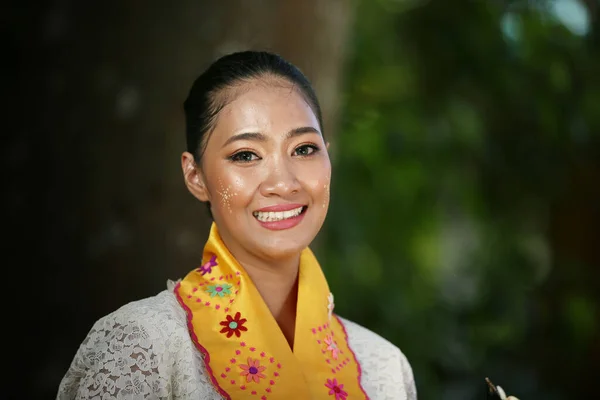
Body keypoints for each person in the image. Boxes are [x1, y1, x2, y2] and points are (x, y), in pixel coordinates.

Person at [57, 50, 417, 399]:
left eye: (304, 149)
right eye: (246, 155)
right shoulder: (143, 346)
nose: (283, 182)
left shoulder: (382, 368)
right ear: (195, 176)